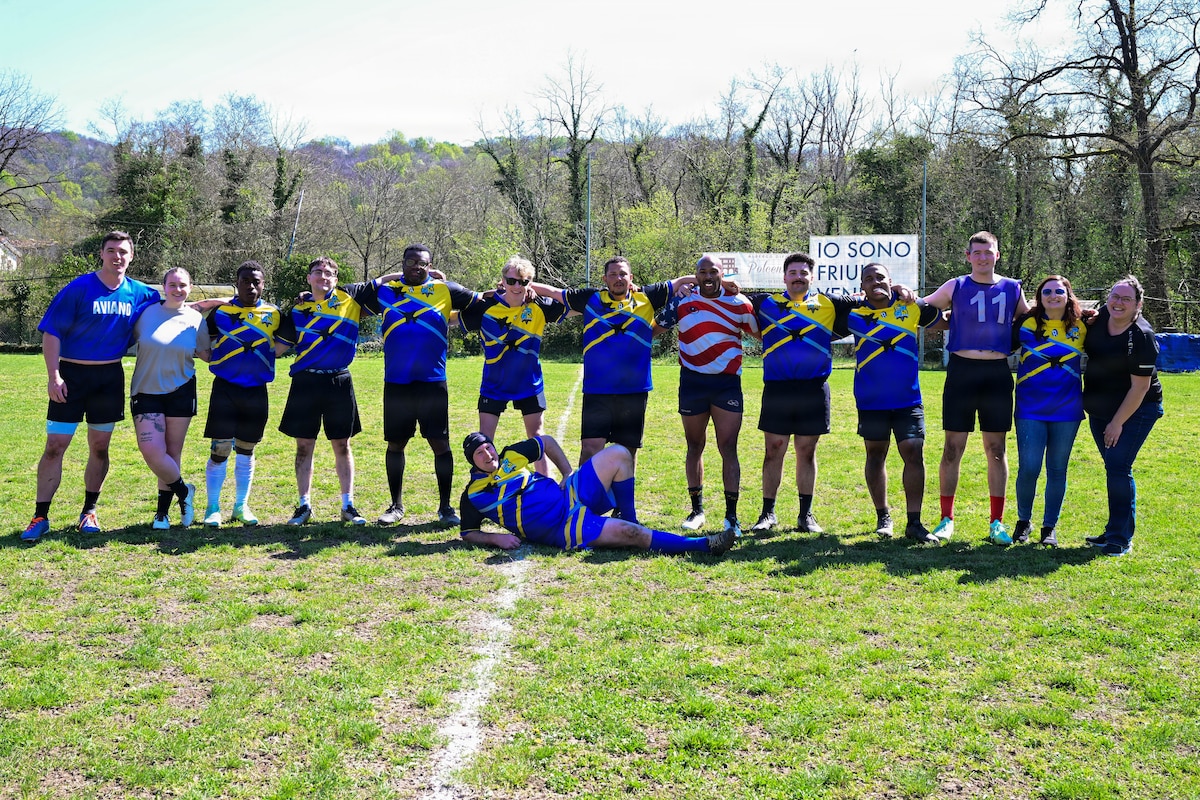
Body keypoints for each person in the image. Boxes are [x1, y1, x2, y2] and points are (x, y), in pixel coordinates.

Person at [23, 231, 161, 542]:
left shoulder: (140, 294)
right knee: (55, 446)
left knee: (100, 447)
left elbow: (175, 303)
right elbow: (51, 333)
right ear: (101, 254)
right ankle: (39, 516)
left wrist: (217, 302)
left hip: (108, 379)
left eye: (123, 252)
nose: (118, 257)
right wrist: (54, 376)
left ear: (132, 256)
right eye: (111, 250)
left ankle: (89, 511)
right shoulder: (79, 288)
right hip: (71, 377)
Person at [530, 256, 695, 473]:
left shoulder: (647, 297)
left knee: (627, 451)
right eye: (613, 274)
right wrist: (523, 285)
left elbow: (683, 280)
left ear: (631, 277)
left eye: (623, 274)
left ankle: (622, 506)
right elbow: (552, 292)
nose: (619, 278)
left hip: (633, 390)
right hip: (598, 390)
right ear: (605, 279)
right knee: (590, 448)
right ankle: (585, 503)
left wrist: (720, 283)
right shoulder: (590, 298)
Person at [457, 432, 736, 555]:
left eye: (488, 447)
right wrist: (495, 538)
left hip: (571, 496)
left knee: (619, 454)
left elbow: (548, 442)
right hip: (563, 528)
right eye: (479, 453)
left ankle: (630, 515)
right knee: (631, 535)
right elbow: (468, 532)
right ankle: (704, 546)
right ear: (472, 461)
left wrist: (567, 473)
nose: (487, 453)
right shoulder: (473, 494)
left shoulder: (510, 455)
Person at [922, 231, 1030, 545]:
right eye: (977, 252)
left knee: (996, 450)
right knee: (952, 448)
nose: (983, 257)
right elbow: (922, 311)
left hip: (997, 372)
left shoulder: (1012, 288)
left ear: (998, 255)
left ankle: (997, 523)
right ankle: (946, 519)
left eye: (989, 252)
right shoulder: (955, 285)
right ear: (968, 256)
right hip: (961, 371)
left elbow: (1032, 324)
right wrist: (940, 320)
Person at [279, 256, 399, 526]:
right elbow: (277, 348)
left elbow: (387, 278)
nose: (323, 276)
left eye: (329, 273)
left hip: (339, 381)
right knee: (303, 446)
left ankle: (347, 504)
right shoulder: (297, 311)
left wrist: (428, 276)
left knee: (342, 445)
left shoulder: (350, 296)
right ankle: (303, 505)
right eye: (318, 272)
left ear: (336, 279)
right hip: (305, 382)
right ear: (309, 278)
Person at [366, 243, 480, 526]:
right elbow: (347, 294)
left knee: (440, 444)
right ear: (402, 263)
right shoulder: (385, 292)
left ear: (431, 266)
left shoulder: (445, 290)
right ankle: (395, 505)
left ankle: (445, 508)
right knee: (396, 444)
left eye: (423, 263)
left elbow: (484, 302)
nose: (417, 266)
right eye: (411, 261)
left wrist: (460, 321)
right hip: (397, 383)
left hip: (433, 382)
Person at [745, 252, 857, 536]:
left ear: (811, 276)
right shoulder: (766, 303)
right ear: (784, 277)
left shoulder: (828, 303)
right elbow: (731, 293)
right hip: (778, 388)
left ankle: (805, 515)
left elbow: (869, 297)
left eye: (803, 273)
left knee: (806, 452)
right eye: (793, 273)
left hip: (814, 388)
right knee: (774, 451)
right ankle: (767, 513)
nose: (798, 277)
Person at [656, 254, 759, 537]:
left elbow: (762, 335)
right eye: (702, 272)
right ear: (696, 275)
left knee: (728, 448)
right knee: (694, 446)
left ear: (721, 274)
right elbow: (653, 331)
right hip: (692, 383)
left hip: (726, 384)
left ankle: (731, 518)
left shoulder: (739, 304)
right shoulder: (682, 301)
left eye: (713, 271)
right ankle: (696, 510)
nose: (708, 276)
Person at [847, 262, 945, 544]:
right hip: (870, 400)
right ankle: (883, 516)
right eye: (868, 278)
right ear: (862, 286)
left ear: (891, 280)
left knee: (913, 452)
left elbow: (945, 313)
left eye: (880, 277)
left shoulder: (911, 306)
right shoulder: (852, 313)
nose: (875, 281)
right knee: (875, 455)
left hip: (907, 399)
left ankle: (914, 522)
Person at [458, 256, 568, 476]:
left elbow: (570, 303)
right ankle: (483, 488)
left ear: (530, 283)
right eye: (511, 281)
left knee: (537, 438)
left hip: (529, 383)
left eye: (524, 281)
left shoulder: (539, 306)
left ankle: (545, 488)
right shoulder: (484, 308)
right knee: (484, 441)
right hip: (494, 384)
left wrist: (535, 288)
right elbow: (449, 317)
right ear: (502, 280)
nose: (517, 286)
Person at [201, 261, 290, 528]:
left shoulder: (274, 313)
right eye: (245, 281)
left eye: (256, 282)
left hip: (256, 390)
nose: (250, 286)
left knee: (247, 449)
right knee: (220, 449)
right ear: (236, 283)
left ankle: (241, 506)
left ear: (264, 284)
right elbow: (203, 338)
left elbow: (283, 345)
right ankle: (213, 508)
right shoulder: (220, 312)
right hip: (225, 388)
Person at [1082, 276, 1163, 557]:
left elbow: (1140, 387)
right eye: (1115, 296)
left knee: (1118, 466)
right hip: (1100, 409)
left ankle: (1119, 538)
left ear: (1138, 305)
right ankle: (1114, 528)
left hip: (1137, 409)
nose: (1118, 302)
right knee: (1113, 468)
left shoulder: (1142, 336)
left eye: (1126, 299)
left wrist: (1117, 423)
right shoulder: (1102, 315)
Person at [129, 267, 211, 530]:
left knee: (172, 452)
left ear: (190, 287)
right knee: (152, 451)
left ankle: (162, 514)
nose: (178, 289)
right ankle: (185, 491)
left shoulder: (196, 319)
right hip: (146, 390)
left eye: (183, 285)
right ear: (163, 286)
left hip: (181, 390)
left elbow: (207, 354)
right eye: (172, 284)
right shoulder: (146, 313)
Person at [1011, 275, 1087, 548]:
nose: (1053, 296)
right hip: (1030, 406)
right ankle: (1023, 521)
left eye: (1059, 291)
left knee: (1057, 469)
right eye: (1047, 292)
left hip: (1067, 408)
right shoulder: (1027, 323)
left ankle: (1049, 527)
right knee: (1029, 468)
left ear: (1068, 295)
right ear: (1039, 297)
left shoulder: (1083, 325)